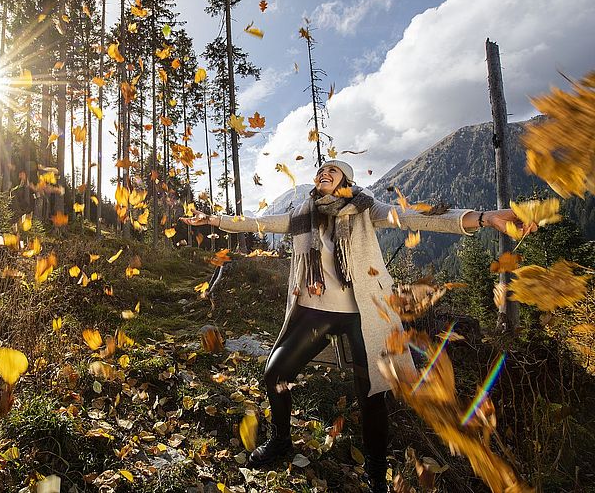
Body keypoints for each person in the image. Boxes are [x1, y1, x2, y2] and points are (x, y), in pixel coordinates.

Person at [181, 160, 537, 492]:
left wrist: (485, 217)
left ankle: (375, 469)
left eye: (333, 170)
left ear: (346, 182)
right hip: (315, 311)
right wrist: (214, 219)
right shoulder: (302, 214)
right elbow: (258, 223)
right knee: (275, 373)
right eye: (322, 169)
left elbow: (413, 216)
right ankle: (281, 439)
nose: (324, 172)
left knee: (372, 394)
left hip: (362, 313)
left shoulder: (366, 208)